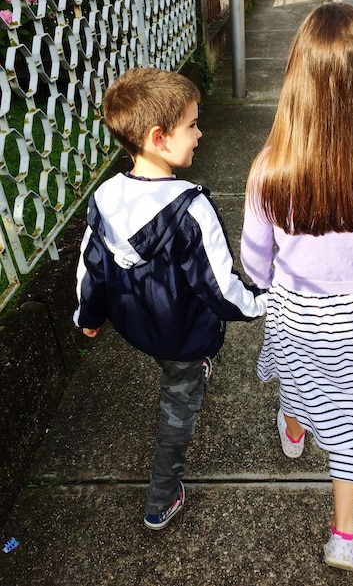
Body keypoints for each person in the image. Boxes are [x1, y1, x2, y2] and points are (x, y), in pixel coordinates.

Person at [240, 3, 353, 572]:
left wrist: (268, 285)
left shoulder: (270, 168)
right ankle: (343, 535)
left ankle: (292, 427)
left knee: (295, 374)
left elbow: (254, 256)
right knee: (348, 415)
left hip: (293, 305)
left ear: (297, 80)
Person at [74, 67, 266, 530]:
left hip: (137, 325)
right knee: (177, 409)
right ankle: (161, 498)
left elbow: (92, 268)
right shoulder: (190, 208)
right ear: (160, 137)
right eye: (193, 125)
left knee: (171, 369)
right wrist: (265, 302)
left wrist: (89, 314)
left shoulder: (105, 198)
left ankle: (185, 369)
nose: (201, 133)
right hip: (185, 337)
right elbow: (220, 289)